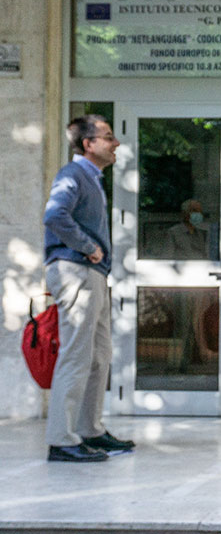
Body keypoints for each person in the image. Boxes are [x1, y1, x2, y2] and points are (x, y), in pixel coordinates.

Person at [42, 115, 135, 462]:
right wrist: (87, 246)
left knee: (98, 356)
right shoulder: (73, 174)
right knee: (77, 355)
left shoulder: (91, 178)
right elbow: (55, 216)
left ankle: (89, 430)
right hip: (76, 270)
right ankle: (61, 439)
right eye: (108, 137)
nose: (115, 144)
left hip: (90, 273)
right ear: (88, 144)